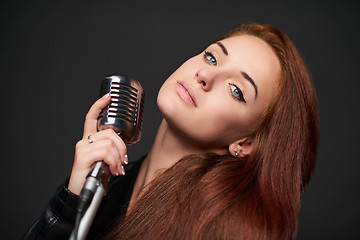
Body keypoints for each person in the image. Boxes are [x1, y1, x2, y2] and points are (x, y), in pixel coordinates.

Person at [22, 22, 319, 240]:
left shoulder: (221, 231)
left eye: (235, 90)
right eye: (212, 57)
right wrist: (73, 198)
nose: (205, 74)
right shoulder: (108, 185)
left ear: (245, 143)